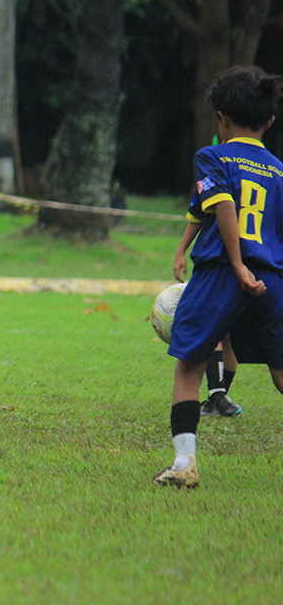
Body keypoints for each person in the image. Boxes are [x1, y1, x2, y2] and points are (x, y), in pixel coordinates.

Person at [153, 65, 283, 488]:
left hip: (224, 273)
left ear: (222, 120)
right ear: (269, 121)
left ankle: (184, 464)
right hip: (273, 278)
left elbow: (223, 206)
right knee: (280, 373)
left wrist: (238, 263)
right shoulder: (280, 171)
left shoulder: (213, 156)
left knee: (189, 366)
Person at [172, 203, 242, 417]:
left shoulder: (219, 172)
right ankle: (218, 398)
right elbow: (197, 214)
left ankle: (218, 395)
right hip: (247, 262)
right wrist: (181, 251)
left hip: (220, 263)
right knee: (226, 333)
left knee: (216, 328)